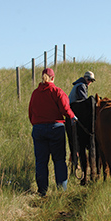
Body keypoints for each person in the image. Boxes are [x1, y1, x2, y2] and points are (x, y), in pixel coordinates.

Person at [28, 68, 77, 197]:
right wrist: (72, 117)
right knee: (59, 160)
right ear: (53, 78)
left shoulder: (35, 93)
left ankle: (42, 191)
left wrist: (37, 124)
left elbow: (30, 112)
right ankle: (61, 190)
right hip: (56, 128)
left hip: (38, 129)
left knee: (41, 161)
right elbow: (65, 109)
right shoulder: (57, 92)